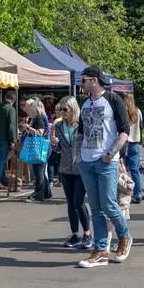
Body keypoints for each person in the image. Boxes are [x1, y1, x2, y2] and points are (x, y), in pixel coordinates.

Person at [76, 66, 132, 268]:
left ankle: (124, 237)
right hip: (87, 160)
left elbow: (125, 131)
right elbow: (80, 131)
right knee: (96, 207)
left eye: (84, 80)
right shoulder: (85, 103)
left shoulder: (113, 99)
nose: (81, 84)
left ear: (95, 80)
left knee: (109, 204)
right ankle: (100, 250)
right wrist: (78, 157)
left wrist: (110, 154)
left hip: (106, 161)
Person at [53, 96, 91, 249]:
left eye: (65, 109)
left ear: (73, 109)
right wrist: (54, 144)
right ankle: (75, 234)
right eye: (60, 109)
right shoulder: (59, 126)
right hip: (65, 168)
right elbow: (59, 150)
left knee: (79, 201)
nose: (62, 112)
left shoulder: (82, 125)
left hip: (80, 167)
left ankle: (87, 234)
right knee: (70, 202)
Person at [22, 98, 51, 203]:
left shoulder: (38, 119)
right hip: (42, 147)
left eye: (31, 108)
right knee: (41, 171)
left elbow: (39, 133)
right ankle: (46, 193)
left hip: (39, 147)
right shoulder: (39, 118)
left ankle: (39, 195)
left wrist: (28, 128)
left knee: (38, 171)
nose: (28, 110)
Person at [0, 91, 17, 190]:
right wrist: (13, 140)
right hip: (5, 139)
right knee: (2, 161)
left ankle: (2, 179)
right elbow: (11, 126)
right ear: (13, 100)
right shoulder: (10, 109)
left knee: (1, 160)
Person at [123, 92, 144, 203]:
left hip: (125, 143)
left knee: (123, 170)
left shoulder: (124, 112)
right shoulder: (138, 111)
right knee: (135, 170)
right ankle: (138, 194)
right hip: (135, 143)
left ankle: (124, 192)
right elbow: (141, 125)